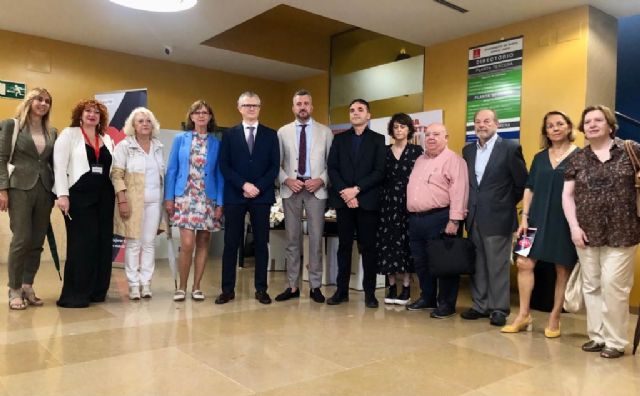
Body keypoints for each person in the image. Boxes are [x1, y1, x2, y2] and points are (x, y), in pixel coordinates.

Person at [563, 105, 640, 359]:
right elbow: (568, 196)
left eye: (598, 120)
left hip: (624, 231)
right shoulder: (577, 158)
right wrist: (574, 227)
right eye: (587, 122)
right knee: (591, 285)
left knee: (613, 286)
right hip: (586, 232)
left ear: (610, 124)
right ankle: (596, 336)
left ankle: (615, 341)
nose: (592, 125)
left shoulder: (631, 150)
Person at [501, 111, 578, 336]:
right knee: (524, 262)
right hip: (533, 219)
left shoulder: (581, 156)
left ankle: (555, 317)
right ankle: (523, 314)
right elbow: (529, 187)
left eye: (559, 124)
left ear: (569, 127)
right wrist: (524, 217)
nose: (554, 128)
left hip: (564, 221)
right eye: (550, 126)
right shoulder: (539, 157)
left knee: (562, 268)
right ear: (545, 131)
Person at [461, 109, 527, 326]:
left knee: (497, 265)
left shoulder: (510, 148)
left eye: (486, 121)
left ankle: (499, 308)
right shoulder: (468, 150)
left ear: (496, 124)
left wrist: (503, 203)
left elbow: (521, 184)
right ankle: (480, 305)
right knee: (478, 264)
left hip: (498, 216)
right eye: (477, 122)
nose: (481, 125)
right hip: (474, 217)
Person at [216, 92, 279, 305]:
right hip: (235, 195)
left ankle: (261, 289)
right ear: (239, 107)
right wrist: (243, 185)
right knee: (231, 243)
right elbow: (224, 165)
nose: (251, 108)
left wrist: (257, 187)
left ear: (260, 108)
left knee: (262, 242)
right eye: (247, 105)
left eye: (255, 105)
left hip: (261, 197)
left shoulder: (271, 135)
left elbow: (274, 166)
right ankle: (227, 289)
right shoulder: (230, 135)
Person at [53, 99, 115, 308]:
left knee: (103, 243)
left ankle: (97, 292)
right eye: (87, 111)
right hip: (79, 196)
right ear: (80, 115)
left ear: (101, 118)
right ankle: (75, 295)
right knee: (82, 245)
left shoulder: (106, 139)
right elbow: (59, 167)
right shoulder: (68, 135)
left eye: (96, 112)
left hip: (104, 196)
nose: (92, 114)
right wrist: (62, 195)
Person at [275, 90, 333, 304]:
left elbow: (331, 164)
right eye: (299, 103)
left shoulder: (325, 132)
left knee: (316, 240)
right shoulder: (282, 132)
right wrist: (286, 179)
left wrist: (321, 180)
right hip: (292, 189)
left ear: (312, 107)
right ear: (293, 108)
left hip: (315, 190)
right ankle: (292, 286)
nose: (302, 107)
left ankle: (316, 286)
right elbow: (276, 163)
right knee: (292, 239)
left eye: (306, 103)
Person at [326, 98, 385, 308]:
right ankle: (341, 291)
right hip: (344, 203)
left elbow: (379, 171)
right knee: (343, 247)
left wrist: (356, 190)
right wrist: (345, 193)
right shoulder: (339, 140)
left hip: (367, 202)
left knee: (368, 248)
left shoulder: (378, 140)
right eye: (352, 110)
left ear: (368, 115)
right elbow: (332, 168)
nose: (356, 113)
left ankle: (370, 293)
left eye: (360, 110)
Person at [0, 88, 56, 310]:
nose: (43, 104)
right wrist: (2, 189)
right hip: (19, 188)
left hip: (44, 189)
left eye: (47, 101)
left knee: (37, 241)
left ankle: (27, 285)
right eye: (39, 99)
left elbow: (53, 162)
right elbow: (1, 158)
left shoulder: (52, 132)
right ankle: (13, 288)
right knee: (22, 238)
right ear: (29, 101)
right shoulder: (11, 126)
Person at [405, 122, 468, 318]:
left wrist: (455, 220)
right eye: (428, 134)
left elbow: (460, 191)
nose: (431, 138)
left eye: (436, 134)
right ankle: (428, 298)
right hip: (416, 219)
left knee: (444, 264)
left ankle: (447, 303)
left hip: (441, 218)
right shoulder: (420, 160)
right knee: (421, 263)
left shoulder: (454, 160)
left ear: (446, 138)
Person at [164, 100, 224, 302]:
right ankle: (181, 287)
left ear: (209, 117)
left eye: (205, 112)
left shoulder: (217, 143)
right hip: (185, 196)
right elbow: (171, 169)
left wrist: (220, 203)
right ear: (191, 116)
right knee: (187, 244)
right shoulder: (181, 139)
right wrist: (169, 198)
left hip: (208, 198)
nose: (201, 115)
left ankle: (197, 287)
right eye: (197, 112)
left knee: (203, 242)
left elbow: (219, 174)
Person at [112, 107, 166, 300]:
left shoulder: (158, 146)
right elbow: (116, 175)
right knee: (134, 243)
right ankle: (134, 284)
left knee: (149, 243)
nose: (145, 124)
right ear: (133, 125)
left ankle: (146, 283)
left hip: (154, 203)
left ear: (153, 125)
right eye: (140, 121)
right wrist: (122, 200)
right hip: (133, 203)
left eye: (148, 121)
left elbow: (161, 177)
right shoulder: (124, 146)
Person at [376, 113, 423, 305]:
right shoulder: (384, 151)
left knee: (405, 245)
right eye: (395, 127)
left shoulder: (416, 151)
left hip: (408, 202)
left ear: (409, 129)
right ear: (391, 130)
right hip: (387, 203)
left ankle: (406, 287)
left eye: (402, 127)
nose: (399, 130)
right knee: (388, 244)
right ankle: (391, 286)